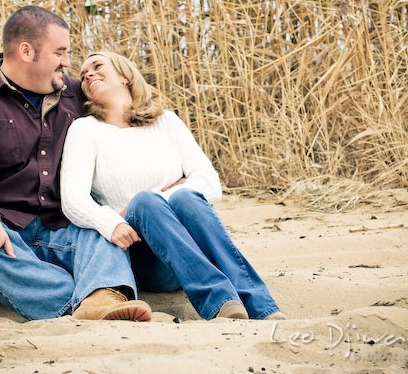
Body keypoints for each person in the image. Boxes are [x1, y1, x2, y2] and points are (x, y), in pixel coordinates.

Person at [0, 7, 152, 321]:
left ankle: (103, 296)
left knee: (99, 226)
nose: (67, 62)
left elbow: (126, 120)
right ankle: (73, 302)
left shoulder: (76, 95)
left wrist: (169, 180)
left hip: (58, 229)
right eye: (60, 52)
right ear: (26, 51)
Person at [60, 51, 286, 320]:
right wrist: (114, 221)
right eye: (83, 75)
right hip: (144, 255)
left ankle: (261, 307)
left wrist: (160, 195)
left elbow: (210, 184)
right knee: (146, 202)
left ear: (124, 76)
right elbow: (73, 200)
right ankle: (220, 303)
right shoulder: (85, 130)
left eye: (97, 67)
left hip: (192, 247)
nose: (88, 75)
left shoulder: (166, 122)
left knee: (186, 199)